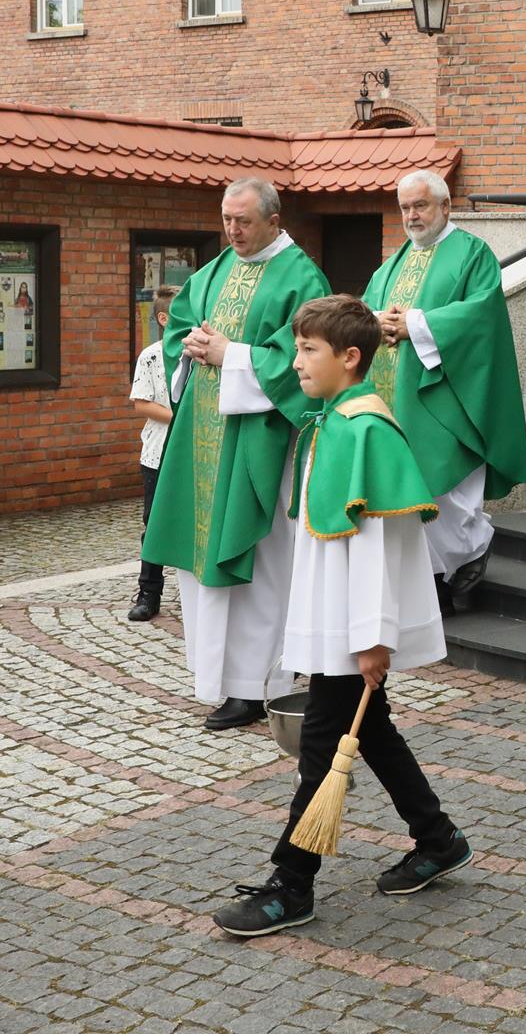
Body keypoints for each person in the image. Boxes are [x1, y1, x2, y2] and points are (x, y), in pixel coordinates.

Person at [213, 296, 469, 937]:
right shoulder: (333, 421)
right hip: (335, 617)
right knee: (371, 730)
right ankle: (437, 838)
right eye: (298, 349)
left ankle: (292, 884)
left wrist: (372, 638)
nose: (296, 362)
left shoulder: (365, 429)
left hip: (354, 628)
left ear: (350, 357)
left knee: (323, 745)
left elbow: (378, 548)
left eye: (308, 350)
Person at [141, 178, 330, 731]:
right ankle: (218, 676)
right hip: (202, 436)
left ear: (274, 220)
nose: (233, 231)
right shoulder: (217, 268)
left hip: (259, 442)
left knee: (260, 562)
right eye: (226, 219)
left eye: (243, 221)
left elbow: (305, 357)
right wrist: (191, 346)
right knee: (199, 563)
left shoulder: (302, 277)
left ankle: (257, 684)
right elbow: (180, 326)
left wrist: (234, 355)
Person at [363, 169, 526, 611]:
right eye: (405, 208)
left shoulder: (472, 254)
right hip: (394, 398)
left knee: (443, 488)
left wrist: (416, 324)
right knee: (404, 488)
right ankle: (431, 583)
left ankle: (469, 551)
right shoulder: (393, 264)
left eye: (420, 205)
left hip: (443, 397)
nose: (412, 216)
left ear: (445, 206)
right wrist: (377, 322)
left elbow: (481, 316)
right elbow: (367, 310)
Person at [128, 284, 179, 623]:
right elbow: (141, 403)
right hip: (158, 453)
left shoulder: (199, 355)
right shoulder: (150, 356)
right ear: (164, 318)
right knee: (155, 523)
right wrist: (180, 419)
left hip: (195, 453)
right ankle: (149, 593)